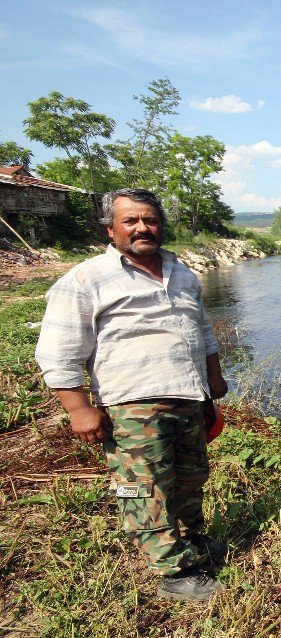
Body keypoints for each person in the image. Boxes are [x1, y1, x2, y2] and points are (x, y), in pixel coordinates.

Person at [35, 188, 229, 603]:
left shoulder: (182, 272)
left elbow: (204, 331)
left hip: (188, 395)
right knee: (146, 487)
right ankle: (173, 574)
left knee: (191, 477)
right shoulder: (86, 278)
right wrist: (78, 408)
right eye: (131, 220)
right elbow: (59, 349)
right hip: (132, 404)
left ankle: (192, 542)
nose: (143, 227)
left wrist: (213, 380)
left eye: (150, 220)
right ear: (111, 228)